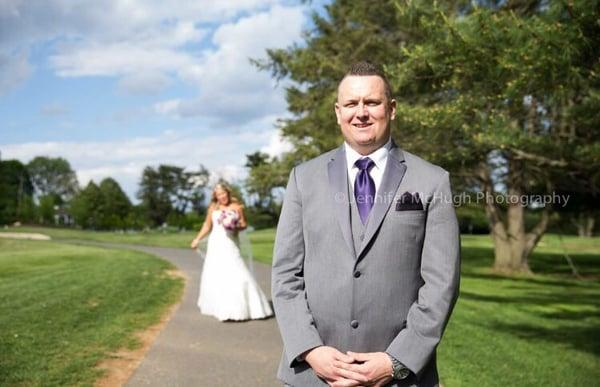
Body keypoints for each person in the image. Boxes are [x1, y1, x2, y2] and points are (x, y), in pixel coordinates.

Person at [272, 62, 460, 387]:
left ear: (392, 108)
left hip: (398, 378)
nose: (361, 113)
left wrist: (396, 362)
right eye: (351, 104)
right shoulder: (303, 178)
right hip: (313, 375)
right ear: (337, 112)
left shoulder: (432, 181)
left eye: (371, 102)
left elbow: (442, 285)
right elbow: (286, 274)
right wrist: (310, 349)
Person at [191, 183, 273, 321]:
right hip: (216, 244)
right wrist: (197, 239)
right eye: (219, 194)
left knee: (238, 270)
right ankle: (224, 309)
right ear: (215, 196)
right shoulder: (213, 209)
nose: (222, 196)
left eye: (224, 193)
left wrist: (234, 226)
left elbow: (244, 224)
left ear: (228, 193)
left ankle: (252, 308)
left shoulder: (236, 207)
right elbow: (207, 225)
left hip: (230, 243)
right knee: (219, 274)